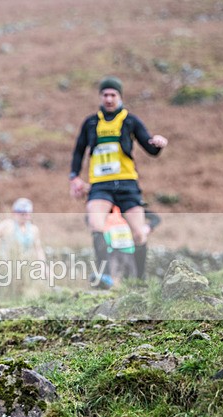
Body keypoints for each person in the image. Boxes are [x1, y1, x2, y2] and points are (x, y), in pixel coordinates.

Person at [69, 76, 168, 286]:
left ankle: (140, 280)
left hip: (127, 185)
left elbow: (150, 148)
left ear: (120, 96)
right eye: (105, 94)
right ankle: (104, 275)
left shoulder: (130, 121)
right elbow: (79, 151)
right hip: (100, 185)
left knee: (140, 234)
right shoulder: (91, 122)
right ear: (100, 96)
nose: (109, 98)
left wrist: (158, 144)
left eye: (113, 94)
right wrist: (74, 178)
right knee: (96, 225)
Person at [0, 197, 47, 270]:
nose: (25, 217)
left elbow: (38, 250)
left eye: (27, 214)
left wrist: (44, 267)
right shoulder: (7, 225)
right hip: (5, 267)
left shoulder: (33, 229)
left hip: (25, 269)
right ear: (15, 213)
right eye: (22, 214)